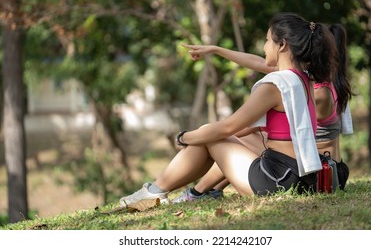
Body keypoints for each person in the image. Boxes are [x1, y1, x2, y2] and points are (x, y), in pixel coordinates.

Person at [118, 12, 338, 211]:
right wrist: (215, 49)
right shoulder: (303, 78)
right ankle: (159, 191)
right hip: (296, 175)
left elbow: (228, 126)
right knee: (212, 135)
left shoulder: (275, 85)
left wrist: (184, 137)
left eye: (267, 40)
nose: (264, 47)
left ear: (281, 45)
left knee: (209, 133)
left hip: (275, 180)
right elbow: (259, 62)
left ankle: (155, 192)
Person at [172, 23, 353, 203]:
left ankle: (198, 192)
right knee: (234, 139)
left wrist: (201, 135)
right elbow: (258, 62)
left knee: (228, 138)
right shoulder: (310, 81)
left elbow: (246, 129)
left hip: (325, 171)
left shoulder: (314, 89)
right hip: (318, 166)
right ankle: (208, 190)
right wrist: (217, 50)